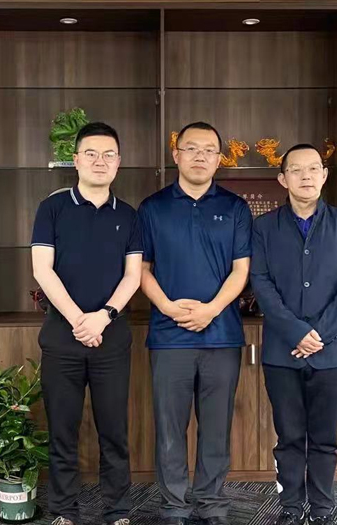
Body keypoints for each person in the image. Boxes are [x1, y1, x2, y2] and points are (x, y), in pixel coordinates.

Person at [138, 121, 252, 525]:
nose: (200, 156)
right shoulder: (152, 208)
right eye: (191, 148)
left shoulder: (235, 208)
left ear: (219, 159)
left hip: (221, 335)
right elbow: (142, 270)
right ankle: (174, 507)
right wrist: (169, 308)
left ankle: (211, 504)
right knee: (170, 429)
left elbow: (241, 270)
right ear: (176, 155)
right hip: (168, 337)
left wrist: (211, 310)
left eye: (208, 150)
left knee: (216, 428)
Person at [31, 122, 143, 525]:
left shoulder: (129, 215)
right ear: (76, 160)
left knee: (114, 431)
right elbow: (42, 270)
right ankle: (64, 511)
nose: (100, 161)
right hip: (62, 337)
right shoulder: (52, 208)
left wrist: (104, 317)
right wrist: (80, 320)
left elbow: (133, 276)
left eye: (109, 154)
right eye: (91, 153)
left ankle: (118, 511)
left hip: (111, 338)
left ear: (119, 162)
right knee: (63, 431)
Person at [250, 143, 337, 525]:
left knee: (325, 439)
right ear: (282, 179)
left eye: (314, 169)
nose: (306, 176)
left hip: (332, 353)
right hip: (282, 353)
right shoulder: (264, 227)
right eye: (296, 170)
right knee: (289, 437)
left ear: (324, 175)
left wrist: (319, 334)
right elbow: (261, 283)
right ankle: (290, 508)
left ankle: (322, 509)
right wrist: (297, 332)